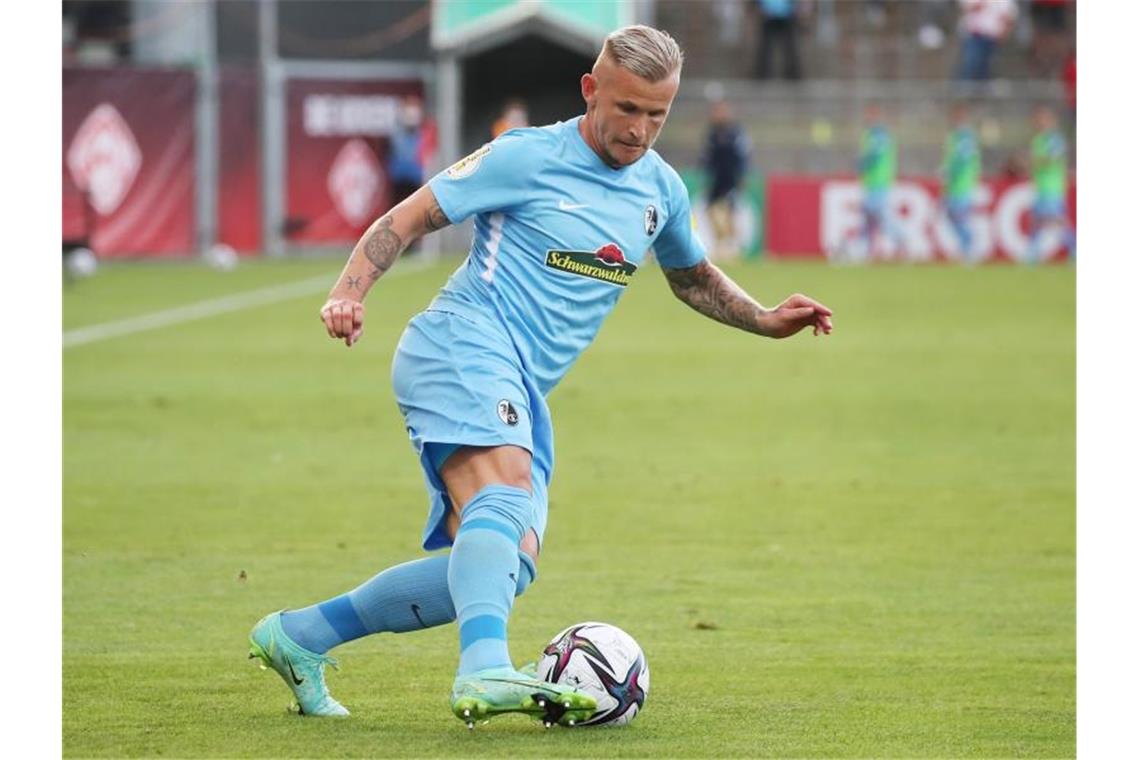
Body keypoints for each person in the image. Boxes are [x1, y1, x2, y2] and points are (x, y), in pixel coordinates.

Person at [248, 25, 833, 729]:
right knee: (505, 493)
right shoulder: (525, 156)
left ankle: (301, 636)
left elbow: (692, 279)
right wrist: (349, 292)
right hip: (461, 343)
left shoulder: (660, 190)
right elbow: (406, 220)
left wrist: (766, 319)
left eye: (657, 114)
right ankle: (484, 667)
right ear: (592, 90)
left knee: (504, 564)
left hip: (522, 386)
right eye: (627, 109)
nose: (640, 129)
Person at [844, 103, 904, 261]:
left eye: (870, 114)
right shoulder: (872, 133)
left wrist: (861, 164)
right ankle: (863, 249)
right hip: (873, 182)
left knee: (879, 216)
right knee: (870, 217)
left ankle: (901, 240)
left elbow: (874, 155)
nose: (867, 117)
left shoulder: (878, 134)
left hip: (879, 182)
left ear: (876, 115)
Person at [701, 99, 751, 260]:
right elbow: (707, 158)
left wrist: (741, 176)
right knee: (710, 211)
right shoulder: (712, 134)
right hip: (716, 180)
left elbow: (742, 156)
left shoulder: (735, 133)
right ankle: (721, 243)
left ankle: (733, 246)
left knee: (730, 213)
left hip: (730, 179)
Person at [1028, 106, 1074, 262]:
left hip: (1052, 187)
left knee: (1055, 220)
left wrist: (1037, 160)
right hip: (1042, 186)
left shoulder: (1054, 139)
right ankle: (1032, 254)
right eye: (1037, 119)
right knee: (1038, 220)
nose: (1038, 122)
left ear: (1050, 121)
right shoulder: (1038, 139)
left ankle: (1074, 248)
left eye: (1042, 119)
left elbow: (1052, 159)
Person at [941, 102, 981, 261]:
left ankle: (970, 245)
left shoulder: (965, 136)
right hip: (953, 184)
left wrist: (951, 172)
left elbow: (964, 159)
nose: (956, 120)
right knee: (952, 215)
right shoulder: (954, 136)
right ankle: (967, 245)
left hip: (962, 183)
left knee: (959, 216)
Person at [955, 0, 1018, 82]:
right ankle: (964, 87)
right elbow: (966, 7)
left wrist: (1005, 32)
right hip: (975, 37)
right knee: (972, 63)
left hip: (994, 38)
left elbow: (1010, 16)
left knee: (988, 67)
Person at [754, 0, 802, 81]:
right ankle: (763, 74)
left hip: (785, 16)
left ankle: (793, 74)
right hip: (769, 16)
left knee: (789, 49)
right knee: (765, 49)